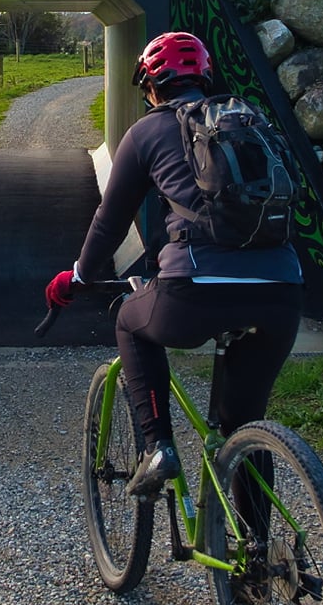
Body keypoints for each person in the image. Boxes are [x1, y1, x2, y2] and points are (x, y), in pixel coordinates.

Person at [43, 31, 302, 501]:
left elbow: (111, 220)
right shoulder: (251, 120)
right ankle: (263, 560)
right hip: (281, 287)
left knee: (130, 320)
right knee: (244, 423)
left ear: (151, 86)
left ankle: (156, 446)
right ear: (204, 79)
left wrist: (79, 275)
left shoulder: (147, 131)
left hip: (195, 288)